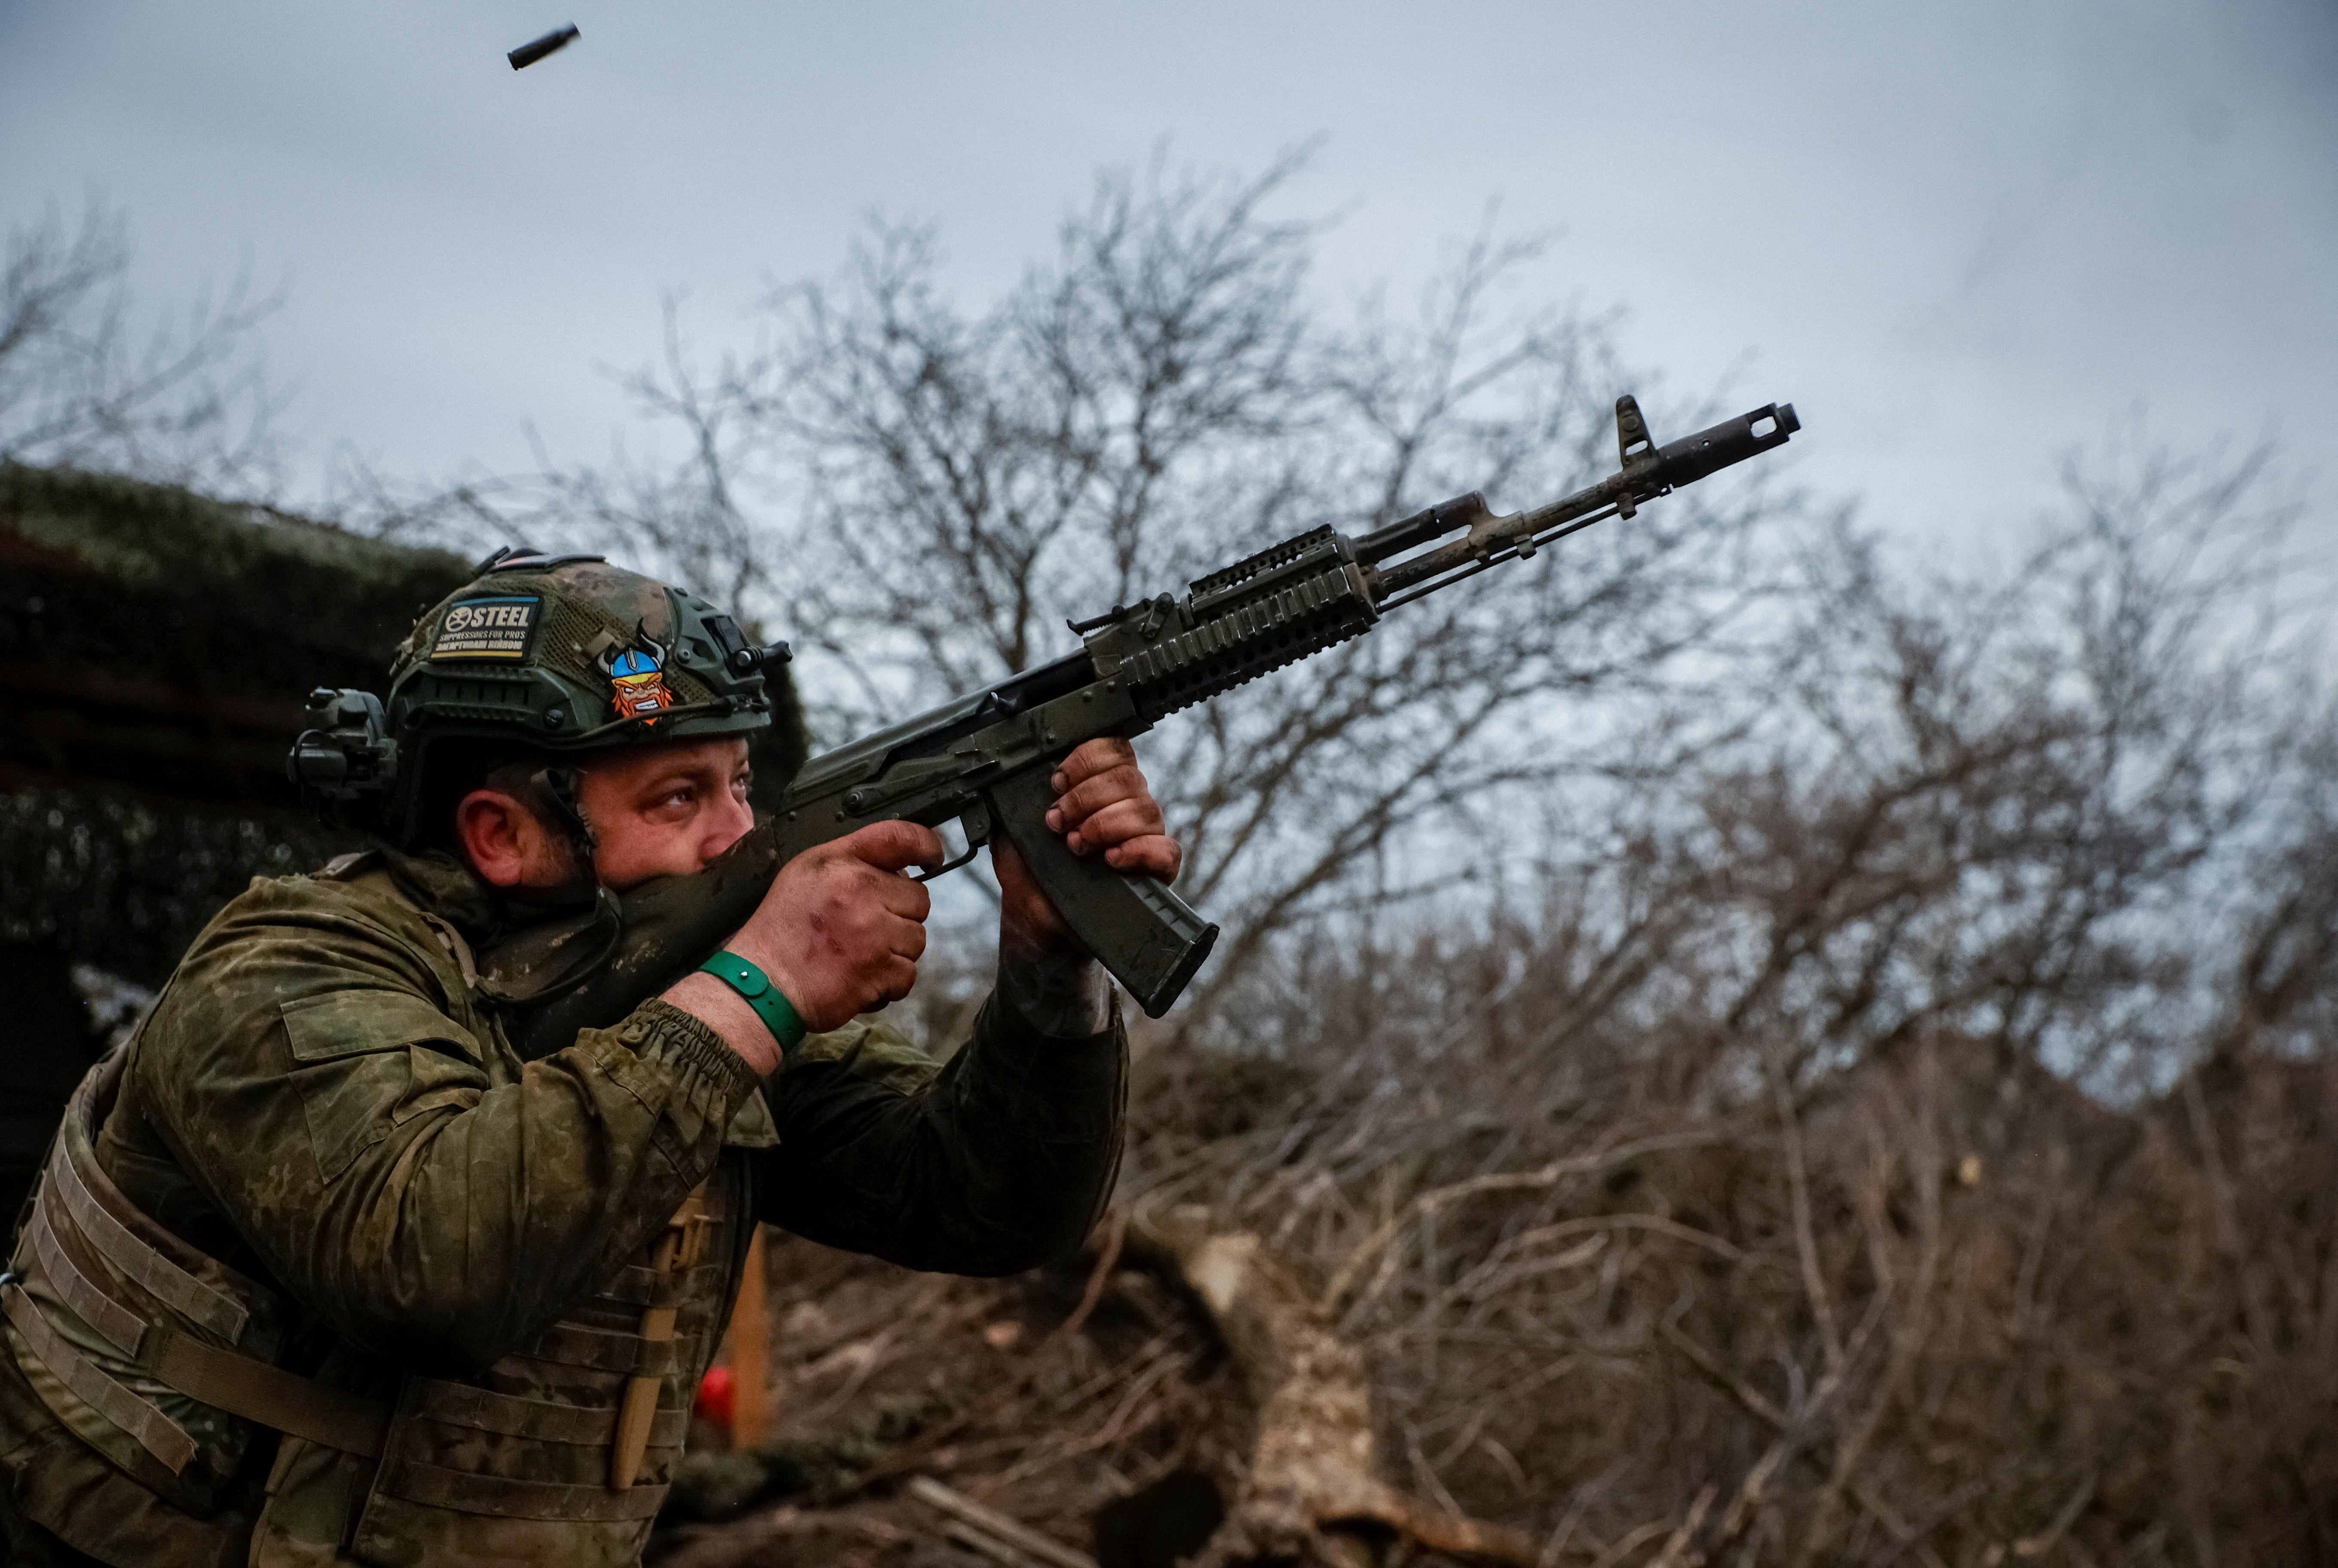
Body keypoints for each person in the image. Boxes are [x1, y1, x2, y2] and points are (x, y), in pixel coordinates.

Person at [0, 551, 1177, 1566]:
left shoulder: (675, 976)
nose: (738, 836)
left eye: (739, 785)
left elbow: (982, 1202)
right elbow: (435, 1264)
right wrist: (760, 986)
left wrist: (1047, 965)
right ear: (502, 836)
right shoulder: (285, 970)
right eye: (678, 797)